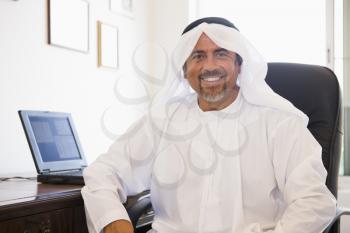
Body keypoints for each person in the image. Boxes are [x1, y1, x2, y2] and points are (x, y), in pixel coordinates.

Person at [82, 17, 336, 233]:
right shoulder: (162, 120)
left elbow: (314, 201)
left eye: (221, 54)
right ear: (184, 69)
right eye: (198, 56)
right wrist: (114, 220)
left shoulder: (280, 122)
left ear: (239, 64)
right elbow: (102, 172)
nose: (210, 66)